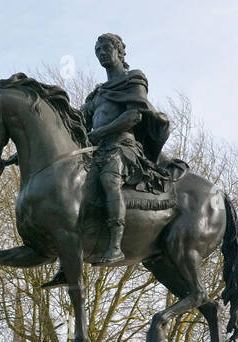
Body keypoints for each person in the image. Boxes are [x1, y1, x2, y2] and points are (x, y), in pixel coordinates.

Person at [81, 33, 182, 265]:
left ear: (119, 51)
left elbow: (133, 116)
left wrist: (102, 131)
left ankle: (115, 246)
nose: (102, 53)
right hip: (97, 149)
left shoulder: (133, 79)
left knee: (109, 178)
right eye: (98, 51)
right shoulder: (98, 92)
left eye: (106, 48)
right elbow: (78, 120)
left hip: (124, 147)